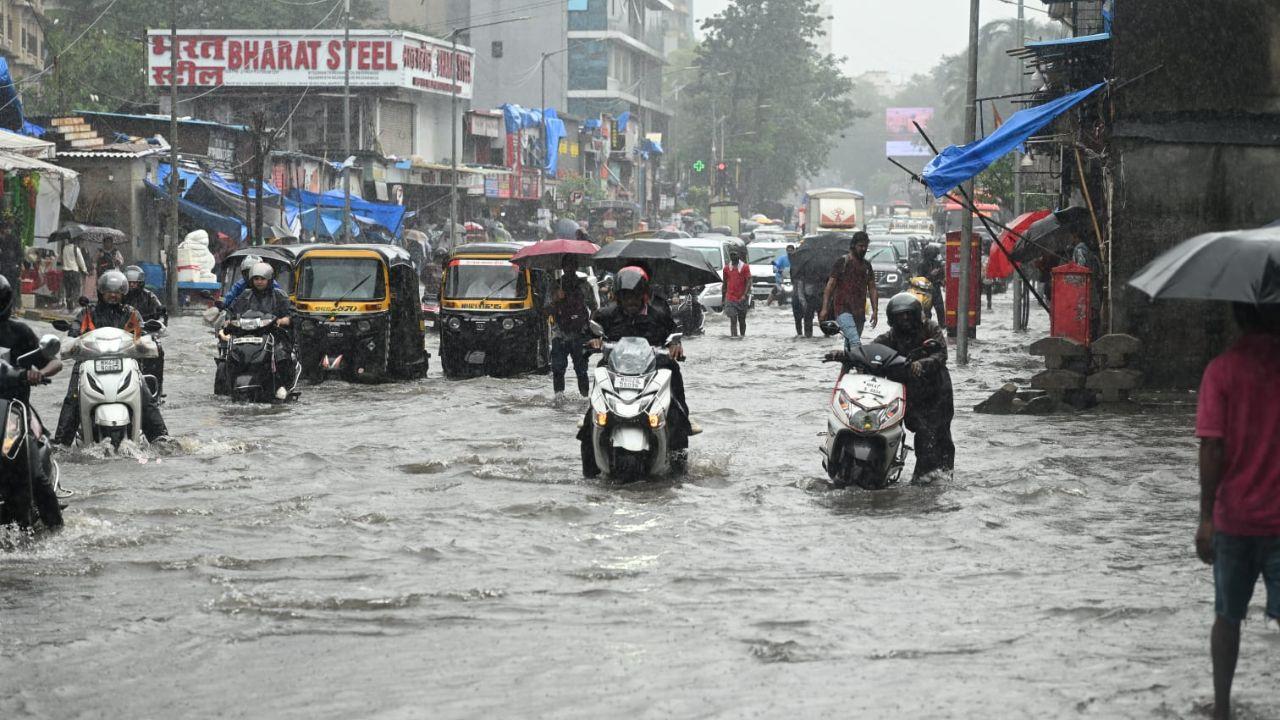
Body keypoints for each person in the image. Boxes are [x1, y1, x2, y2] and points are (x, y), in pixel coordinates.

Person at [1194, 302, 1280, 720]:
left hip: (1234, 520)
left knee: (1227, 617)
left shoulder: (1222, 371)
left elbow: (1212, 446)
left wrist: (1206, 518)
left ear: (1238, 316)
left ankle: (1223, 709)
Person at [578, 266, 694, 478]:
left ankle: (680, 469)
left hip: (653, 370)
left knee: (676, 415)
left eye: (635, 295)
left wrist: (674, 345)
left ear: (644, 295)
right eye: (625, 296)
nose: (630, 300)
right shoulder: (606, 315)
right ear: (618, 296)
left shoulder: (659, 315)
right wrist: (593, 341)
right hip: (614, 371)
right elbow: (588, 333)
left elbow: (674, 333)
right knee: (590, 420)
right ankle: (589, 473)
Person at [53, 270, 169, 445]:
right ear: (101, 292)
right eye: (109, 291)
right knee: (72, 398)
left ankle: (161, 438)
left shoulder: (131, 313)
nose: (113, 295)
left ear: (123, 294)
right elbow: (73, 333)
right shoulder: (87, 312)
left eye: (117, 292)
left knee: (146, 398)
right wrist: (71, 342)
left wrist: (147, 341)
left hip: (126, 363)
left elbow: (141, 334)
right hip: (88, 363)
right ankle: (61, 443)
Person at [863, 292, 953, 482]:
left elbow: (940, 355)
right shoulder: (890, 337)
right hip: (905, 392)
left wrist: (921, 364)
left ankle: (933, 477)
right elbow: (870, 351)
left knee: (933, 435)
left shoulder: (930, 328)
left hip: (935, 392)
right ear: (892, 319)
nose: (904, 319)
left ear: (916, 315)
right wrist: (846, 355)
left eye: (908, 314)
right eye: (900, 316)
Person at [0, 275, 63, 527]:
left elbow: (54, 362)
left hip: (14, 414)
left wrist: (40, 373)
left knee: (34, 475)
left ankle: (57, 529)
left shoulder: (19, 332)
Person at [226, 262, 295, 400]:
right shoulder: (245, 295)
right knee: (230, 355)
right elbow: (233, 313)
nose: (259, 282)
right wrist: (228, 321)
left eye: (262, 279)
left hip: (274, 335)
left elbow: (292, 315)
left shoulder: (279, 295)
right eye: (256, 279)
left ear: (269, 279)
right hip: (247, 335)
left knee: (281, 355)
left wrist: (283, 320)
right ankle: (228, 387)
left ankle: (282, 386)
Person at [820, 231, 878, 352]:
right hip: (842, 310)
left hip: (859, 312)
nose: (863, 249)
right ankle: (861, 363)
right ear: (853, 246)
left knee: (850, 347)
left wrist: (875, 311)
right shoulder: (842, 262)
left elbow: (872, 288)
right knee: (855, 342)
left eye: (865, 246)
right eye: (860, 246)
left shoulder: (867, 266)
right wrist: (824, 308)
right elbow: (830, 286)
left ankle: (847, 364)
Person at [549, 256, 592, 397]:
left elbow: (594, 307)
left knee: (581, 370)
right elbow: (545, 309)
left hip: (580, 333)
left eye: (572, 265)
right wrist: (556, 299)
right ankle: (558, 398)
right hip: (560, 334)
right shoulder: (556, 285)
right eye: (567, 265)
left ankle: (585, 397)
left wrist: (589, 328)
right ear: (562, 267)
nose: (569, 268)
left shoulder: (584, 285)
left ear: (576, 266)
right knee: (557, 368)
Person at [123, 265, 168, 397]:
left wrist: (156, 323)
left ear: (140, 283)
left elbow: (161, 314)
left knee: (158, 350)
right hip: (121, 335)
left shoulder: (149, 296)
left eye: (134, 283)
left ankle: (156, 389)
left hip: (144, 335)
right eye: (129, 283)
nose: (132, 285)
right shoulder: (120, 297)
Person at [722, 246, 752, 337]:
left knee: (742, 320)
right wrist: (723, 298)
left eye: (735, 255)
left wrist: (744, 294)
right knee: (733, 319)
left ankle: (742, 336)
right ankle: (734, 337)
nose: (733, 257)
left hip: (742, 298)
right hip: (730, 297)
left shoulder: (745, 267)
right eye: (731, 255)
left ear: (739, 256)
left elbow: (749, 281)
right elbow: (724, 283)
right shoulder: (726, 268)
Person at [918, 244, 947, 327]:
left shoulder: (937, 263)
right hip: (926, 290)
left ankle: (942, 324)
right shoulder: (922, 265)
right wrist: (931, 275)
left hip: (936, 288)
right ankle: (927, 326)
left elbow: (941, 275)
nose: (935, 257)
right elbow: (920, 279)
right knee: (927, 311)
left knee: (940, 309)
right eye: (934, 254)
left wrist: (942, 280)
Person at [59, 237, 88, 309]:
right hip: (74, 271)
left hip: (65, 272)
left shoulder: (64, 248)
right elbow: (80, 260)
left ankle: (69, 304)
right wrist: (84, 270)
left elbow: (61, 259)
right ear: (75, 241)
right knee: (77, 288)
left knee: (68, 289)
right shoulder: (76, 249)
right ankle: (71, 300)